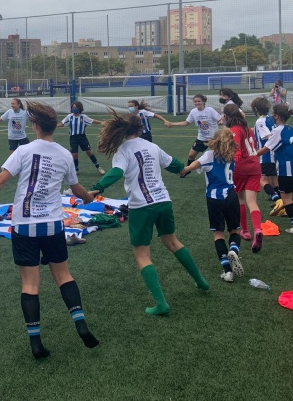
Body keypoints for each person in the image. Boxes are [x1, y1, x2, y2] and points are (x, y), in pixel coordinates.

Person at [0, 102, 99, 359]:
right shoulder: (64, 154)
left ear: (34, 126)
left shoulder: (24, 150)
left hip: (24, 226)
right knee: (63, 276)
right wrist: (89, 197)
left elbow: (0, 179)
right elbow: (76, 187)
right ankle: (80, 324)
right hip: (53, 225)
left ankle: (36, 342)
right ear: (54, 126)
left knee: (30, 283)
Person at [90, 109, 209, 315]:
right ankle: (201, 281)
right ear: (141, 128)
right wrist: (182, 169)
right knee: (173, 242)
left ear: (122, 130)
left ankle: (161, 304)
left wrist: (98, 188)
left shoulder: (123, 151)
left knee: (142, 254)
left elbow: (117, 172)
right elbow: (173, 164)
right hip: (163, 201)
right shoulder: (152, 146)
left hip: (141, 206)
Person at [179, 128, 245, 282]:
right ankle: (234, 250)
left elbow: (192, 166)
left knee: (218, 234)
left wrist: (182, 170)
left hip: (215, 198)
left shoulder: (209, 155)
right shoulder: (232, 156)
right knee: (234, 229)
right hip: (231, 195)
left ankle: (227, 271)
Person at [256, 105, 293, 235]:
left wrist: (250, 156)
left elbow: (266, 149)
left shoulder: (277, 131)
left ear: (277, 116)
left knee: (286, 198)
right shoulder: (291, 128)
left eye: (273, 114)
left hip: (287, 168)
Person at [221, 104, 264, 252]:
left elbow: (237, 150)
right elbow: (254, 146)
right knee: (252, 201)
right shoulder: (248, 129)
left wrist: (231, 162)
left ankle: (245, 231)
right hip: (255, 166)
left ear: (227, 116)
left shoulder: (234, 130)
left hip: (241, 168)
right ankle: (257, 230)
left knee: (240, 200)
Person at [165, 94, 222, 167]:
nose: (197, 103)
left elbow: (220, 119)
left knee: (217, 156)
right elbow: (186, 123)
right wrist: (173, 124)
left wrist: (221, 122)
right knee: (191, 155)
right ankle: (187, 170)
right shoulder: (193, 112)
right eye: (195, 101)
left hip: (213, 138)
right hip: (201, 138)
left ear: (203, 101)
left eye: (199, 101)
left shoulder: (210, 110)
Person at [250, 97, 283, 209]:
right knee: (274, 180)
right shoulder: (269, 118)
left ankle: (277, 200)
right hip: (275, 155)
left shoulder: (260, 121)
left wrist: (260, 152)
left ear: (256, 109)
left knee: (262, 180)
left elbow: (269, 136)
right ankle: (281, 201)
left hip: (267, 155)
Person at [58, 100, 105, 175]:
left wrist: (101, 122)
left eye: (75, 107)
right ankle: (76, 170)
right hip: (73, 138)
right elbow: (62, 123)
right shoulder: (69, 117)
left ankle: (98, 167)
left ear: (79, 108)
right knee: (74, 154)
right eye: (73, 107)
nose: (73, 109)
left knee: (89, 152)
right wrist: (54, 125)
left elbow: (92, 121)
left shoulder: (83, 117)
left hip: (82, 137)